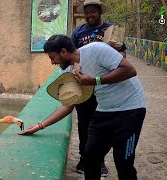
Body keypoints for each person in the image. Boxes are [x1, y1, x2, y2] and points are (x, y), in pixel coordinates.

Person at [19, 35, 146, 180]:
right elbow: (68, 106)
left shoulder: (96, 50)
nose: (52, 62)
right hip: (104, 110)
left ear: (64, 52)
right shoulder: (68, 71)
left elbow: (130, 70)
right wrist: (39, 126)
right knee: (90, 157)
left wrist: (95, 80)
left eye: (52, 57)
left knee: (123, 161)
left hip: (130, 109)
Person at [71, 0, 127, 176]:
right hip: (84, 86)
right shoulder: (78, 32)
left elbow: (123, 56)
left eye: (93, 11)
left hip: (105, 86)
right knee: (84, 124)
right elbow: (73, 56)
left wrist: (114, 52)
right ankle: (83, 158)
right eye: (87, 12)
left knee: (102, 124)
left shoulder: (111, 30)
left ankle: (100, 161)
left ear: (100, 11)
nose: (90, 15)